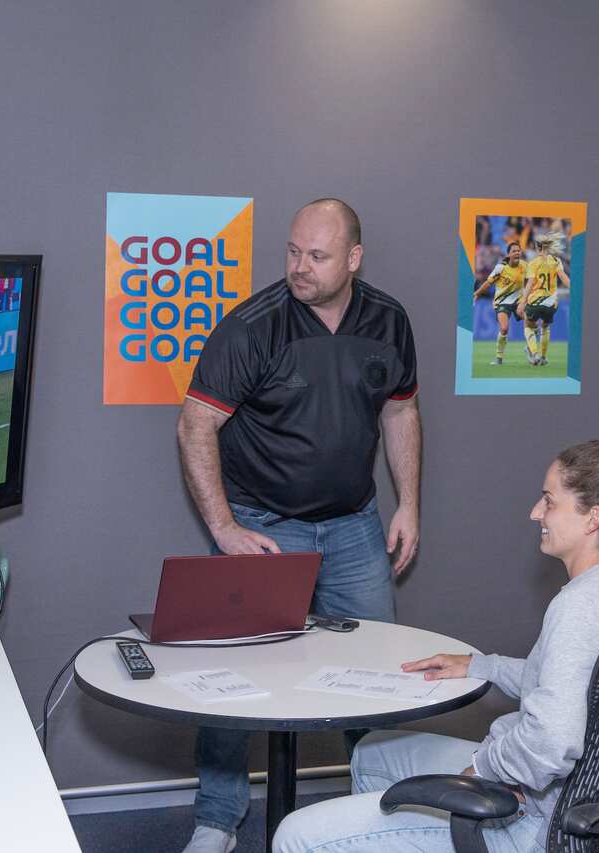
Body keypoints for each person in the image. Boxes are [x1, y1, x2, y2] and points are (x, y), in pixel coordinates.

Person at [273, 438, 599, 853]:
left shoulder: (579, 607)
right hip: (574, 806)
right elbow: (574, 686)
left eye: (549, 501)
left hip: (533, 823)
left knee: (294, 834)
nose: (535, 512)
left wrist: (482, 770)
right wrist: (480, 666)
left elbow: (553, 741)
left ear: (593, 518)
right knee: (372, 752)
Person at [176, 198, 422, 853]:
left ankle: (380, 811)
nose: (299, 267)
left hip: (354, 527)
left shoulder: (389, 320)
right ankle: (216, 820)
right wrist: (224, 528)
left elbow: (400, 412)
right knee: (234, 680)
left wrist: (409, 503)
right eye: (293, 252)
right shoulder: (252, 327)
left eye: (317, 255)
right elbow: (195, 424)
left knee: (377, 675)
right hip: (265, 526)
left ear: (354, 258)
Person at [473, 241, 530, 366]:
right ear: (508, 254)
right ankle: (499, 357)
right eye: (514, 251)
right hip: (502, 302)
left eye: (518, 251)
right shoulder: (500, 268)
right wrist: (477, 293)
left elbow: (530, 282)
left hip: (518, 301)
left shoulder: (525, 266)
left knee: (531, 320)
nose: (517, 253)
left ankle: (531, 349)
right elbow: (488, 283)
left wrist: (528, 297)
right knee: (504, 328)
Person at [521, 232, 570, 366]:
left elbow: (530, 284)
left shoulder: (533, 263)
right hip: (551, 303)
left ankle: (534, 354)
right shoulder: (556, 260)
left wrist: (523, 302)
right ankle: (543, 357)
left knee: (527, 325)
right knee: (545, 327)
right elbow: (563, 277)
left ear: (537, 247)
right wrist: (574, 289)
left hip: (536, 300)